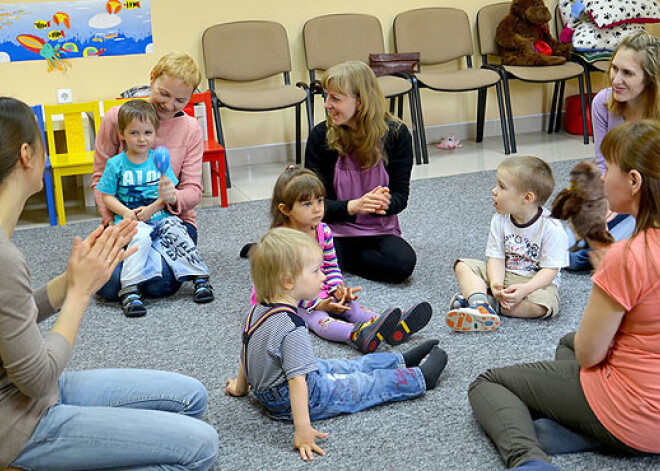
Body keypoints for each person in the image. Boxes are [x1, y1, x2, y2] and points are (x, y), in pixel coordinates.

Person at [0, 97, 218, 470]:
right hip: (18, 421)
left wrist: (70, 280)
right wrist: (80, 294)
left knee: (191, 398)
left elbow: (11, 318)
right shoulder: (4, 258)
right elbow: (38, 378)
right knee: (202, 448)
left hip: (28, 393)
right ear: (26, 154)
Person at [468, 121, 660, 470]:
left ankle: (529, 460)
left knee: (488, 383)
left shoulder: (628, 256)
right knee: (567, 343)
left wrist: (608, 272)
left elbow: (590, 356)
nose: (602, 178)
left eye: (609, 168)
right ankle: (586, 429)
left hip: (638, 414)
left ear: (634, 181)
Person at [225, 227, 447, 461]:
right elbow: (297, 381)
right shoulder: (293, 325)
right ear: (288, 280)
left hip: (270, 388)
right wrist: (302, 429)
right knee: (363, 384)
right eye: (315, 271)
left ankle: (400, 360)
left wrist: (241, 387)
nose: (322, 277)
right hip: (293, 397)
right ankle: (419, 378)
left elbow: (246, 349)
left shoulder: (254, 311)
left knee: (341, 366)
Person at [254, 165, 432, 353]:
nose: (317, 209)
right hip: (288, 300)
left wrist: (337, 289)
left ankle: (389, 326)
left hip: (316, 287)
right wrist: (317, 304)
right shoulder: (282, 243)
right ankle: (357, 335)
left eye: (320, 201)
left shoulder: (323, 231)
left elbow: (331, 266)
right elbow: (282, 288)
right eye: (307, 204)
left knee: (351, 306)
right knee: (318, 319)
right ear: (285, 209)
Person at [93, 51, 214, 302]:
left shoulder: (190, 128)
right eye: (164, 94)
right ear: (152, 79)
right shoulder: (117, 118)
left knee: (157, 285)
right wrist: (114, 221)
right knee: (108, 285)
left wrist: (173, 197)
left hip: (172, 222)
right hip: (125, 222)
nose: (169, 105)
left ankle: (163, 267)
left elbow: (193, 190)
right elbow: (100, 180)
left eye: (180, 100)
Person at [305, 61, 416, 283]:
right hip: (331, 229)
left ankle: (338, 261)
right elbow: (311, 204)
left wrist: (383, 204)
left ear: (361, 102)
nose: (327, 105)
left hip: (378, 231)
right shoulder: (320, 136)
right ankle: (333, 257)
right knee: (308, 263)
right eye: (326, 97)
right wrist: (353, 206)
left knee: (403, 264)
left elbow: (400, 195)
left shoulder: (397, 134)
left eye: (335, 98)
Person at [566, 31, 660, 271]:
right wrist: (603, 201)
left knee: (589, 254)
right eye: (614, 68)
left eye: (628, 73)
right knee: (563, 241)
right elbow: (602, 164)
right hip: (616, 187)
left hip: (651, 198)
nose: (616, 79)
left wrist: (628, 204)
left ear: (649, 79)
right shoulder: (603, 104)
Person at [446, 156, 569, 332]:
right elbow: (496, 258)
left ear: (526, 198)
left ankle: (485, 302)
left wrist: (525, 289)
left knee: (545, 306)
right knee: (463, 265)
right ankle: (481, 304)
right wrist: (496, 285)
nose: (494, 191)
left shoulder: (552, 228)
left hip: (534, 281)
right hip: (503, 274)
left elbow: (550, 271)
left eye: (502, 187)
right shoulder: (499, 219)